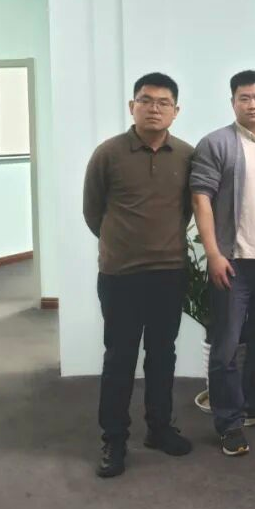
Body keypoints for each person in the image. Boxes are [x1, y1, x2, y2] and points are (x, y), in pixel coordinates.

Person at [83, 72, 194, 478]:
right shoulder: (108, 153)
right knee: (120, 357)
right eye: (146, 101)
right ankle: (113, 439)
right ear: (132, 106)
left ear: (176, 111)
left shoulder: (186, 155)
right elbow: (93, 211)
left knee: (163, 355)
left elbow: (188, 209)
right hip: (121, 275)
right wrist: (122, 244)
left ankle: (159, 428)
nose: (154, 109)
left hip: (169, 273)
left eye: (163, 103)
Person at [190, 70, 255, 457]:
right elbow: (200, 198)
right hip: (232, 264)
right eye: (244, 98)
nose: (252, 104)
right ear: (232, 102)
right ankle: (229, 423)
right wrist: (214, 253)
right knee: (226, 347)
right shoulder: (216, 143)